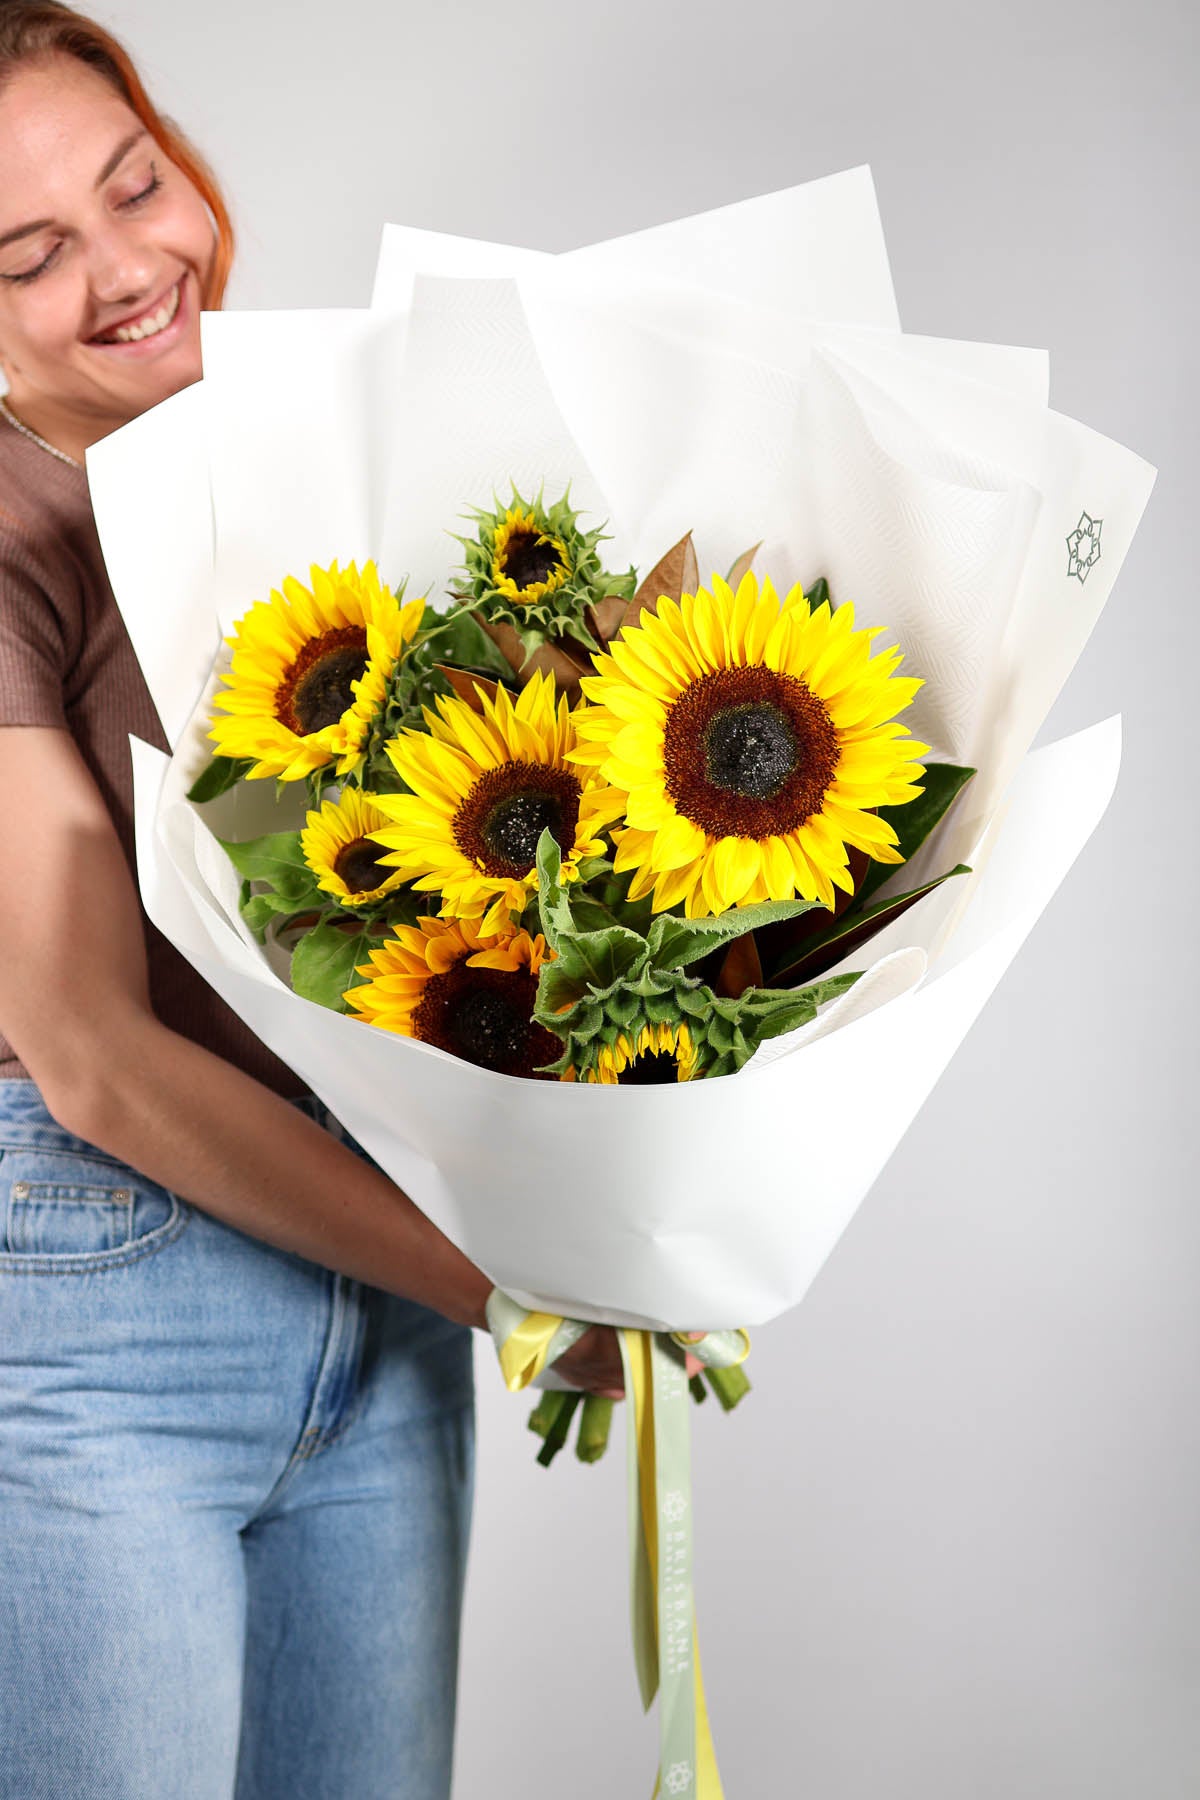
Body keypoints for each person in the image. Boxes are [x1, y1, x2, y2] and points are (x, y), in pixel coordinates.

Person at [0, 7, 625, 1797]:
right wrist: (510, 1283)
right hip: (104, 1315)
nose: (128, 269)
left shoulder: (320, 463)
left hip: (380, 1301)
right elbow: (91, 1055)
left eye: (137, 185)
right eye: (31, 258)